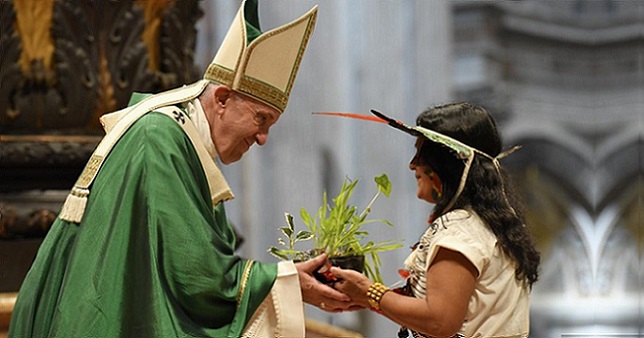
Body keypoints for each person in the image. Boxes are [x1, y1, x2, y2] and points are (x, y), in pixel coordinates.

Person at [10, 1, 351, 337]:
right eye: (261, 119)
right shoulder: (161, 140)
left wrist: (287, 278)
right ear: (221, 100)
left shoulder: (180, 141)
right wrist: (287, 282)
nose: (262, 138)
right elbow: (197, 278)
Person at [329, 102, 542, 337]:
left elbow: (440, 321)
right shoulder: (482, 224)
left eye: (422, 154)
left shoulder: (461, 232)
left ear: (449, 164)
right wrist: (374, 299)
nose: (413, 164)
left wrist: (370, 292)